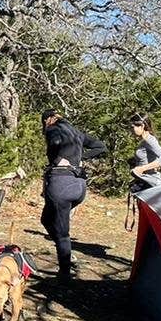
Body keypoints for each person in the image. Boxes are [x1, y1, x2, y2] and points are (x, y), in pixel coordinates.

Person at [40, 108, 108, 281]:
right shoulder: (76, 132)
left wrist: (57, 160)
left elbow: (54, 143)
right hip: (79, 186)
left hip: (62, 185)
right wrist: (80, 159)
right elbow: (101, 147)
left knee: (62, 232)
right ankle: (66, 253)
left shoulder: (52, 129)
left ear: (48, 120)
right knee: (46, 219)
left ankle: (65, 273)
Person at [128, 115, 161, 192]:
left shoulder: (149, 140)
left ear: (142, 126)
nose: (130, 130)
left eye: (132, 127)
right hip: (145, 181)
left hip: (151, 183)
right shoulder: (144, 141)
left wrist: (142, 168)